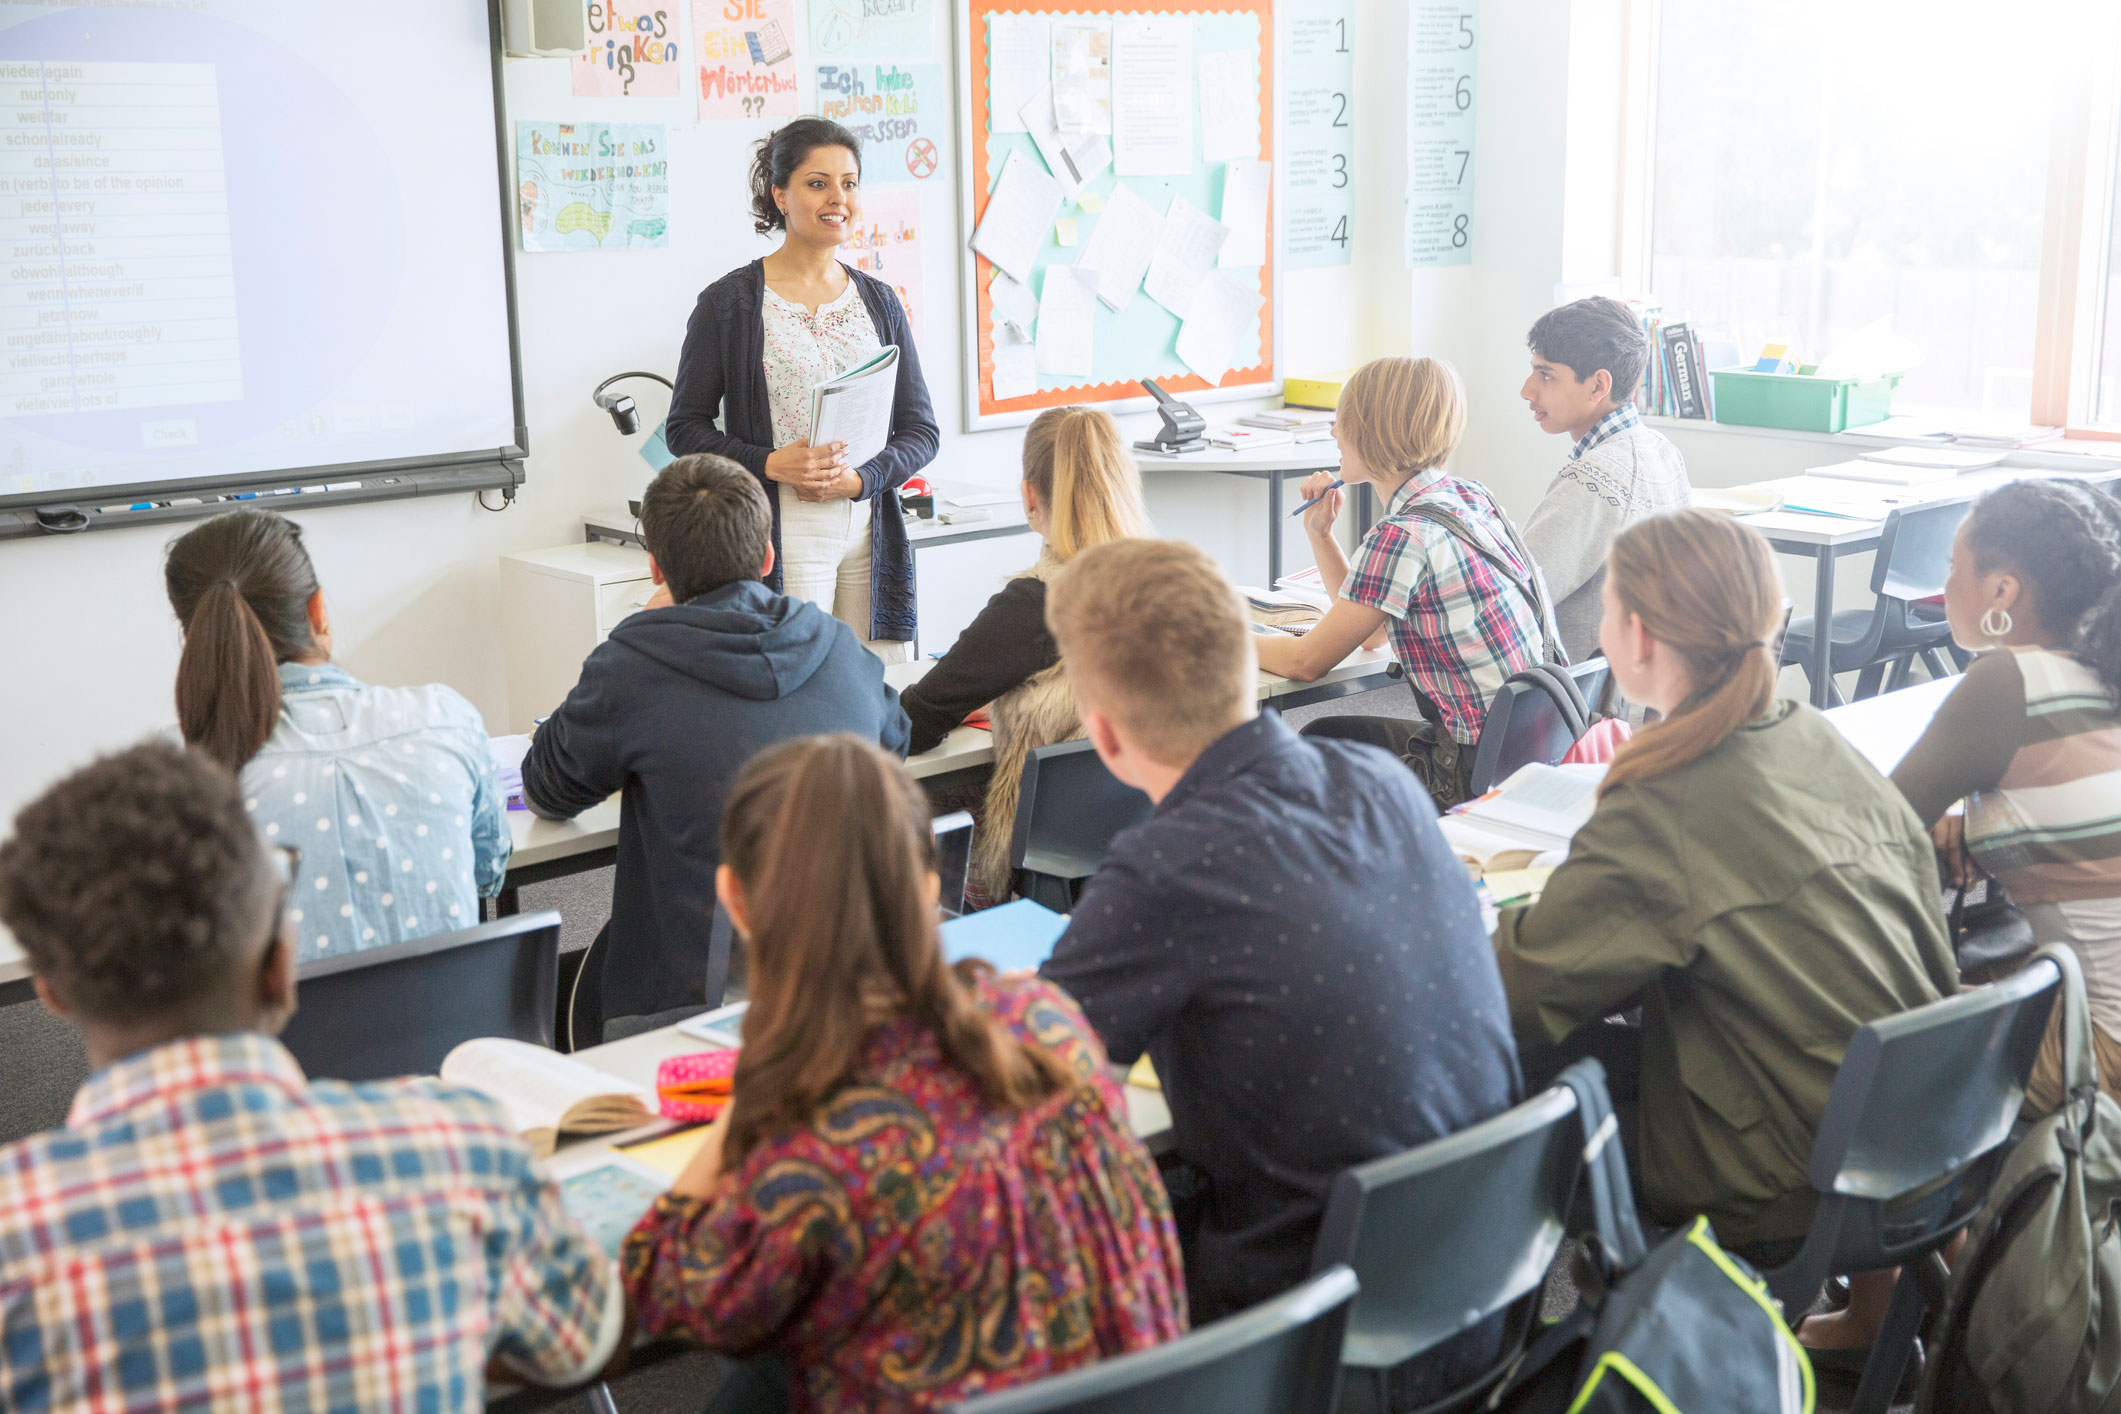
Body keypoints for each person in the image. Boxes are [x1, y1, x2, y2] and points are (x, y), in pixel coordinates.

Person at [0, 741, 622, 1410]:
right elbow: (580, 1342)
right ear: (280, 965)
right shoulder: (461, 1148)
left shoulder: (18, 1233)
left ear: (54, 993)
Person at [1038, 538, 1520, 1397]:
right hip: (1484, 1288)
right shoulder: (1383, 783)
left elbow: (1022, 1074)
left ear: (1100, 732)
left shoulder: (1167, 866)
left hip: (1310, 1337)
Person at [622, 736, 1186, 1414]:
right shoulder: (1048, 1021)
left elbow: (653, 1290)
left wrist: (754, 1093)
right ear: (927, 887)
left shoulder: (807, 1144)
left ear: (734, 900)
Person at [1493, 511, 1956, 1268]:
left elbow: (1518, 994)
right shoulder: (1810, 735)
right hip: (1918, 1138)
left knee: (1505, 1079)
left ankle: (1551, 1353)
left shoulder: (1666, 802)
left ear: (1637, 637)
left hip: (1783, 1181)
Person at [523, 454, 911, 1041]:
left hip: (681, 1012)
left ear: (655, 568)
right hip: (845, 978)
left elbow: (547, 788)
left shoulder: (632, 663)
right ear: (768, 558)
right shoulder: (835, 642)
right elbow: (894, 744)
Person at [163, 508, 508, 957]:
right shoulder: (446, 719)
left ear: (195, 642)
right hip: (462, 1024)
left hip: (283, 1028)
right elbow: (488, 874)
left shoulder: (177, 778)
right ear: (318, 611)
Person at [665, 117, 939, 663]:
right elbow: (683, 430)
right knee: (795, 684)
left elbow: (921, 430)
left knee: (878, 694)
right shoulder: (730, 304)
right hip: (782, 529)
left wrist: (864, 479)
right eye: (818, 183)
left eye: (850, 183)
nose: (838, 198)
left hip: (870, 526)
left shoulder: (880, 302)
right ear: (781, 195)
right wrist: (769, 463)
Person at [1890, 478, 2121, 1112]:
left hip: (2104, 1054)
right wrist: (1975, 807)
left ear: (2001, 591)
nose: (1944, 585)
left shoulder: (2008, 679)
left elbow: (1876, 826)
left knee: (1851, 1054)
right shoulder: (2100, 667)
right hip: (2097, 1015)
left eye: (1952, 566)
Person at [1254, 356, 1561, 808]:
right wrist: (1321, 537)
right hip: (1533, 752)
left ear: (1374, 431)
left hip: (1467, 774)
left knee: (1314, 750)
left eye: (1343, 421)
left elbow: (1305, 662)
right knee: (1327, 736)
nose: (1334, 432)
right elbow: (1374, 632)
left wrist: (1219, 634)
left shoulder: (1404, 534)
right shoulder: (1470, 497)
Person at [898, 405, 1150, 903]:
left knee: (911, 796)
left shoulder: (1034, 606)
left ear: (1029, 494)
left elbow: (913, 722)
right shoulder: (1174, 588)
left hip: (1043, 850)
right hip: (1151, 834)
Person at [1518, 297, 1691, 662]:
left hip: (1585, 708)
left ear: (1598, 385)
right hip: (1650, 693)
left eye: (1546, 375)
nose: (1527, 390)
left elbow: (1516, 597)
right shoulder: (1663, 452)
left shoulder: (1593, 479)